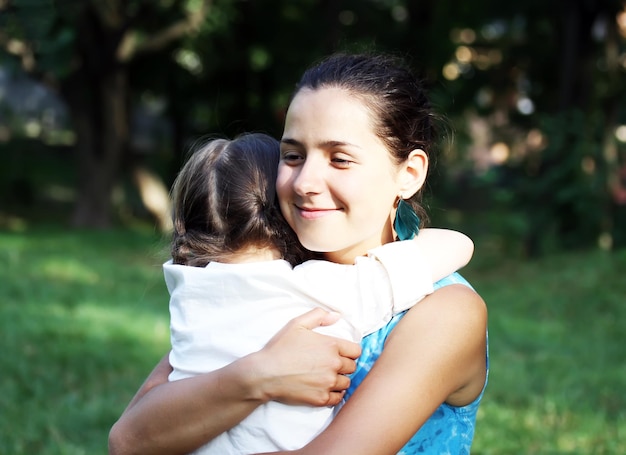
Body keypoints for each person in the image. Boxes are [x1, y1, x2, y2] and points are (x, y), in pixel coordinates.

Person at [109, 52, 488, 455]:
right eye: (292, 156)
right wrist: (258, 375)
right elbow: (128, 440)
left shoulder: (445, 311)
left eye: (339, 159)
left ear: (409, 174)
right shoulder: (269, 275)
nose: (305, 181)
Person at [164, 132, 473, 453]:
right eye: (295, 159)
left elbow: (129, 437)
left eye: (340, 160)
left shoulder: (188, 290)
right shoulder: (318, 288)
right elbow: (456, 245)